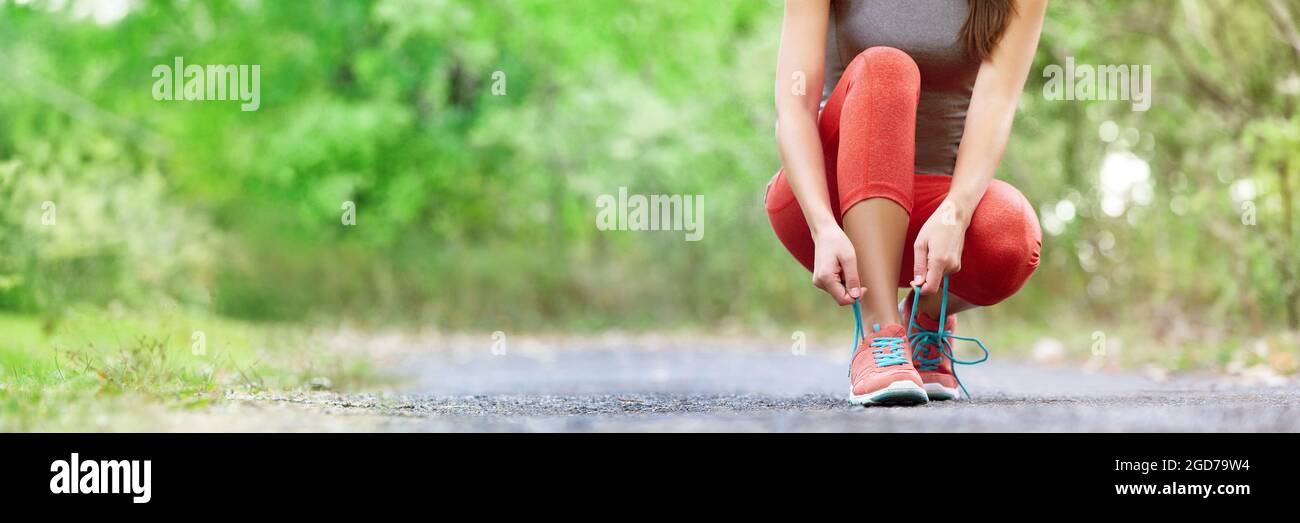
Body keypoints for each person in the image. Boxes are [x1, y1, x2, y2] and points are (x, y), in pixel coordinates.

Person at [766, 0, 1047, 405]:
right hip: (828, 200)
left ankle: (926, 316)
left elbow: (996, 101)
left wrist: (956, 212)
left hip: (934, 209)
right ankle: (880, 335)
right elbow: (794, 107)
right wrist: (822, 224)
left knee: (1012, 234)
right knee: (886, 67)